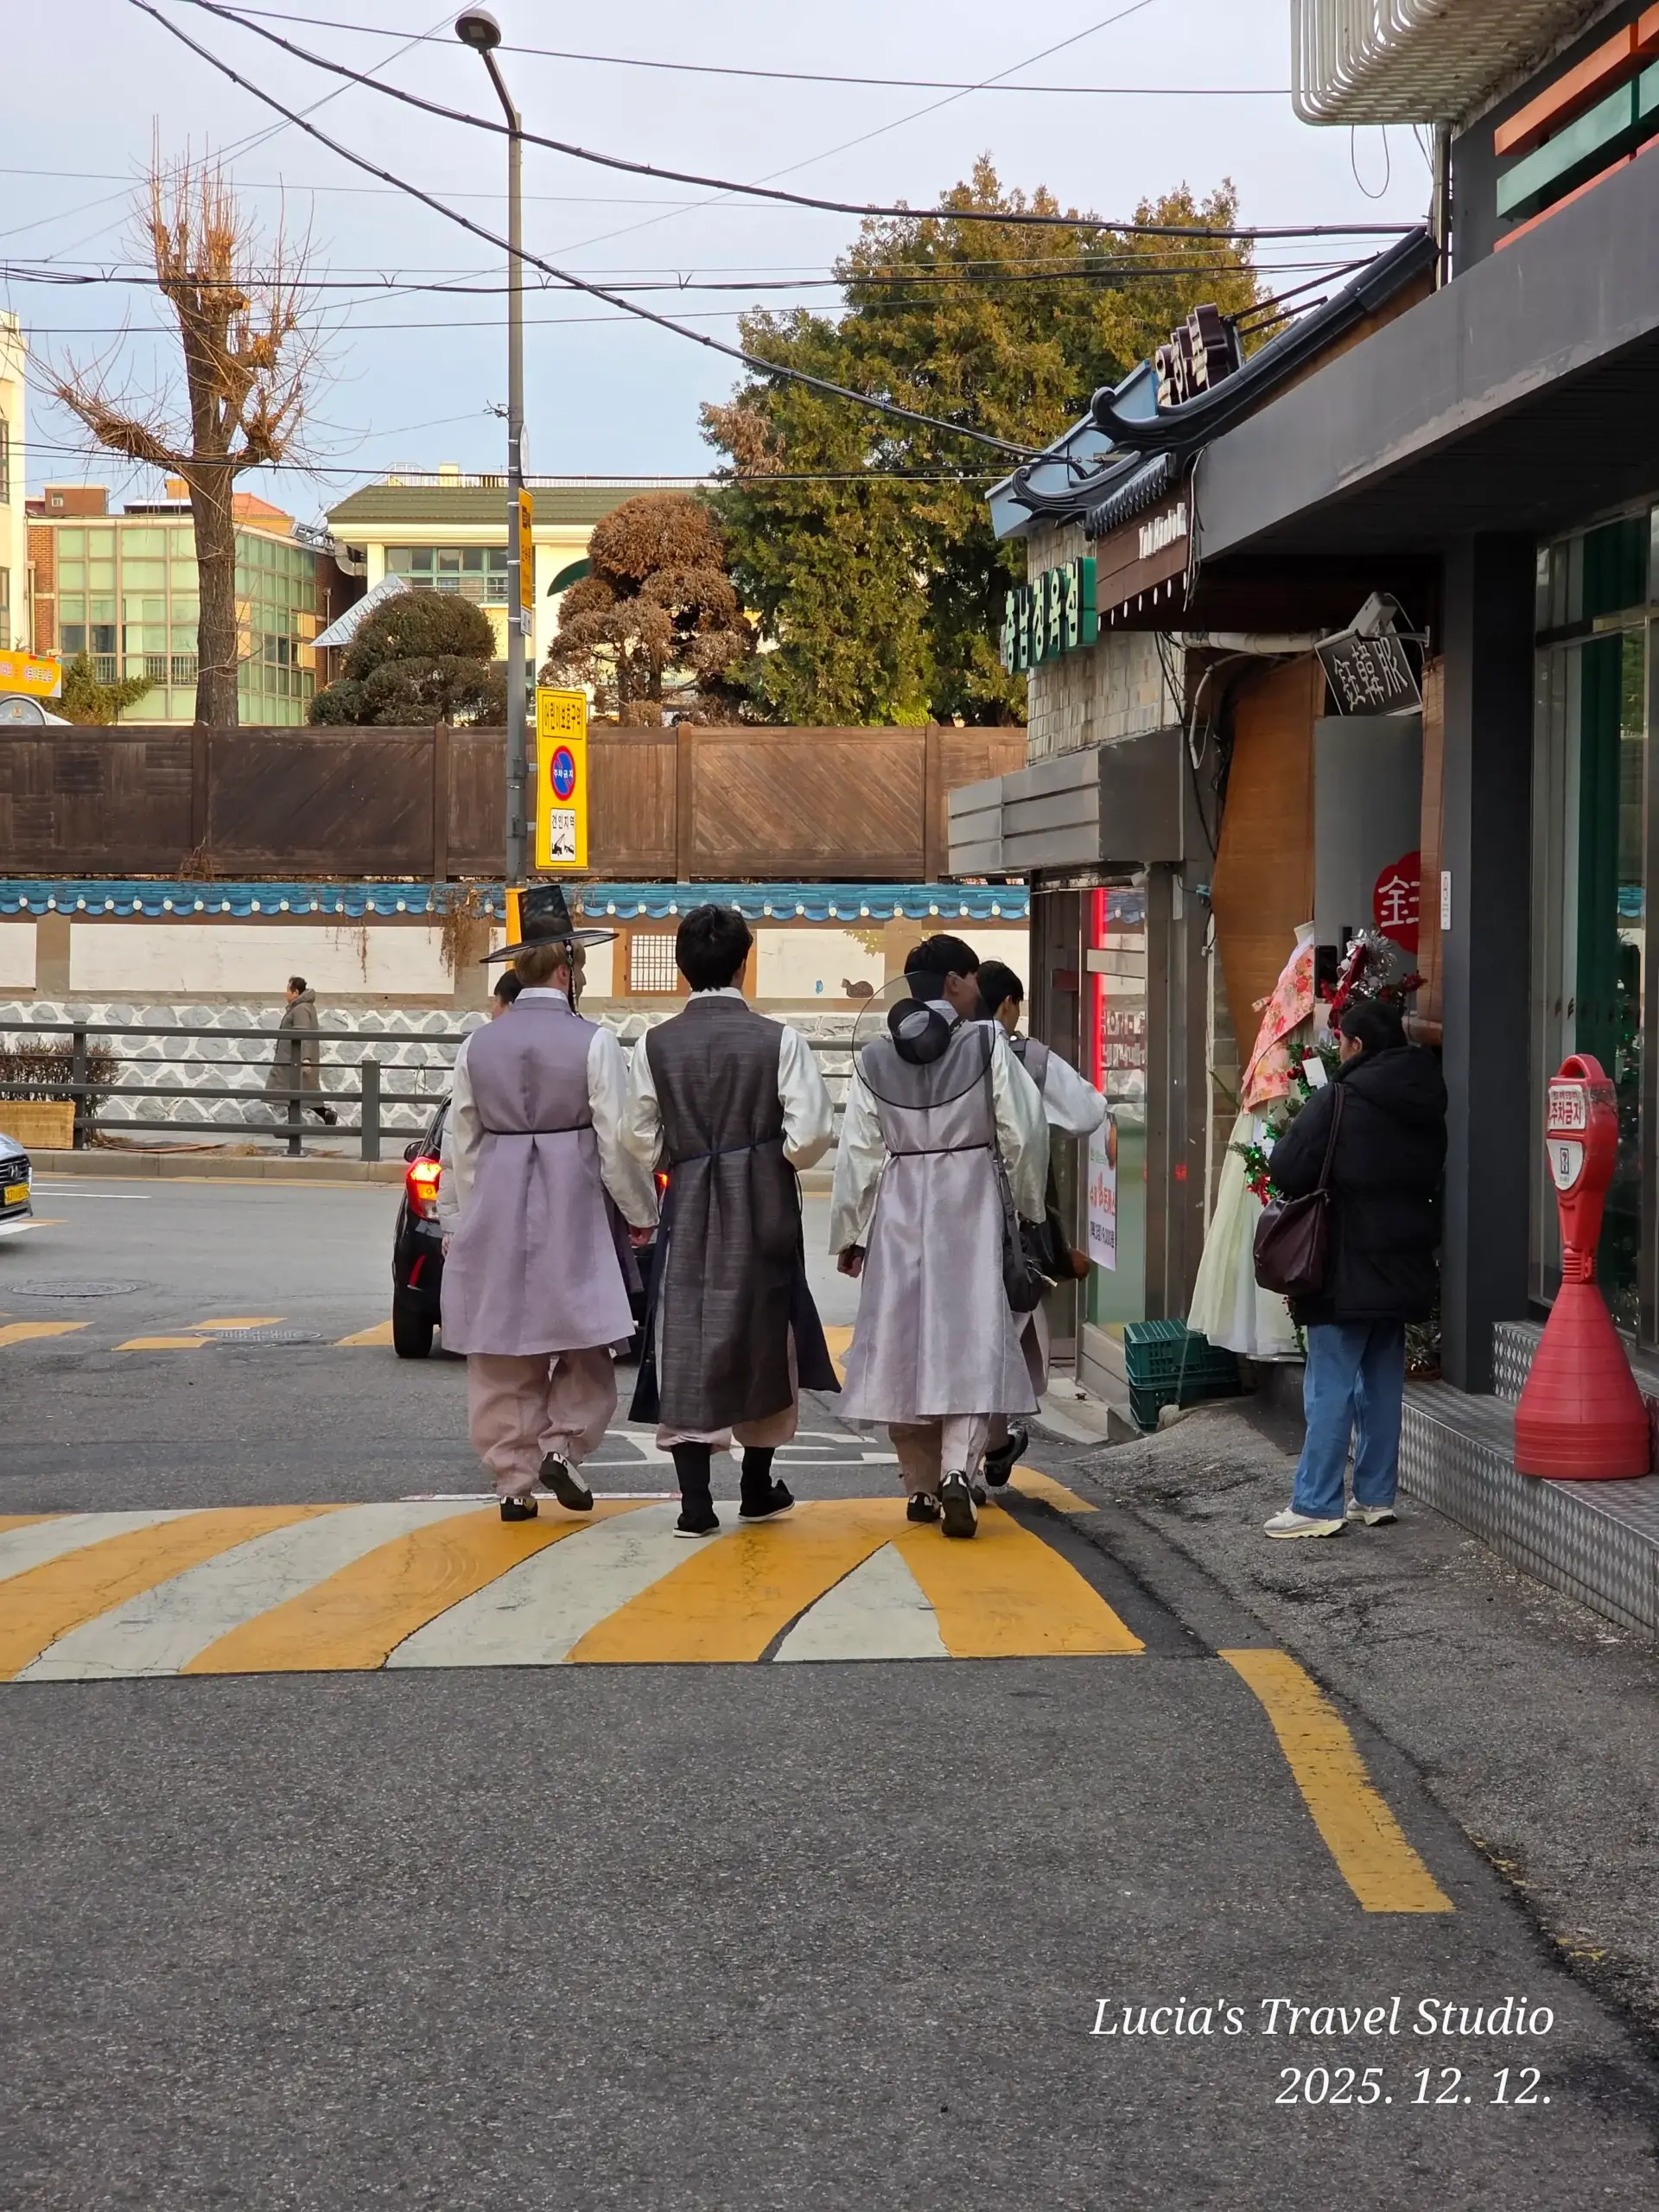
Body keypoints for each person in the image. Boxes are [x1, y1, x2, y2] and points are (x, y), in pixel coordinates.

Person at [441, 885, 658, 1522]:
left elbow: (461, 1141)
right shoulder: (594, 1042)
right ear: (566, 971)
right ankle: (563, 1446)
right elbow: (616, 1141)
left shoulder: (477, 1045)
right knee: (587, 1337)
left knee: (501, 1349)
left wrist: (460, 1218)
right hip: (574, 1199)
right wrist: (640, 1211)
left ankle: (512, 1482)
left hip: (498, 1196)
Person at [623, 903, 837, 1538]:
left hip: (690, 1191)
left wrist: (680, 1155)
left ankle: (695, 1503)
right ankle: (756, 1486)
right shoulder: (781, 1040)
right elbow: (811, 1133)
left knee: (687, 1327)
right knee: (765, 1329)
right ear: (745, 963)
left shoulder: (655, 1044)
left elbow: (636, 1133)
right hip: (763, 1194)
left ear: (682, 969)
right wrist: (769, 1156)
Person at [830, 935, 1048, 1539]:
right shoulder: (985, 1043)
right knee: (970, 1337)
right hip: (970, 1197)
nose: (979, 987)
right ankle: (959, 1469)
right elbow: (1023, 1131)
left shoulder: (876, 1055)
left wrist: (851, 1231)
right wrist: (1028, 1208)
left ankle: (920, 1486)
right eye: (973, 977)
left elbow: (857, 1152)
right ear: (955, 981)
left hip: (901, 1199)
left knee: (903, 1340)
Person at [1262, 997, 1447, 1539]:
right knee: (1383, 1382)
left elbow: (1286, 1168)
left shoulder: (1340, 1098)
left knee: (1331, 1384)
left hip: (1343, 1261)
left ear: (1357, 1045)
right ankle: (1375, 1496)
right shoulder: (1427, 1095)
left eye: (1341, 1041)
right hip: (1405, 1258)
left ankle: (1316, 1503)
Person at [975, 958, 1106, 1491]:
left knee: (953, 1333)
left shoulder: (926, 1051)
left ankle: (968, 1456)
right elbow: (1089, 1111)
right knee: (1003, 1332)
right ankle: (986, 1447)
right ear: (1008, 1004)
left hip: (936, 1212)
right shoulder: (1025, 1057)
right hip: (1011, 1221)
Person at [435, 971, 520, 1240]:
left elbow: (458, 1139)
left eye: (495, 1002)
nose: (492, 1011)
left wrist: (453, 1222)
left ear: (509, 1004)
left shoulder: (475, 1047)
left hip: (487, 1204)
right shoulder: (581, 1043)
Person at [265, 976, 338, 1126]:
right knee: (297, 1092)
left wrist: (305, 1059)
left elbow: (303, 1033)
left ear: (296, 992)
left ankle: (296, 1128)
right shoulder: (301, 1007)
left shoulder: (301, 1009)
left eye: (288, 990)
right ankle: (322, 1116)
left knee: (294, 1091)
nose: (285, 993)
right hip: (291, 1058)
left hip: (293, 1059)